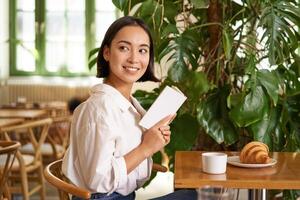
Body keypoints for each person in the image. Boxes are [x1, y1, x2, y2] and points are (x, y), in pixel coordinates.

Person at [62, 16, 197, 200]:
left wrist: (153, 139)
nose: (134, 58)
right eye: (124, 48)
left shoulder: (129, 104)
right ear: (107, 53)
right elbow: (97, 180)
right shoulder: (98, 110)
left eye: (142, 50)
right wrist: (145, 148)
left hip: (125, 196)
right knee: (198, 196)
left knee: (194, 195)